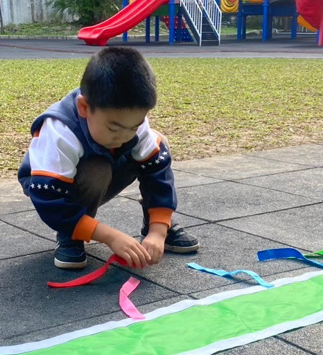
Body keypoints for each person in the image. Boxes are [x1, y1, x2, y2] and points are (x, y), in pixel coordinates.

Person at [19, 47, 199, 270]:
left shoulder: (130, 124)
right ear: (84, 107)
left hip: (106, 164)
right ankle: (71, 234)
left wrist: (158, 230)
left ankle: (153, 223)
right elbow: (49, 200)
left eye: (133, 127)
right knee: (97, 170)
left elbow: (158, 174)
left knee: (158, 144)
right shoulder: (60, 131)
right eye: (114, 128)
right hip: (54, 188)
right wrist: (110, 236)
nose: (124, 137)